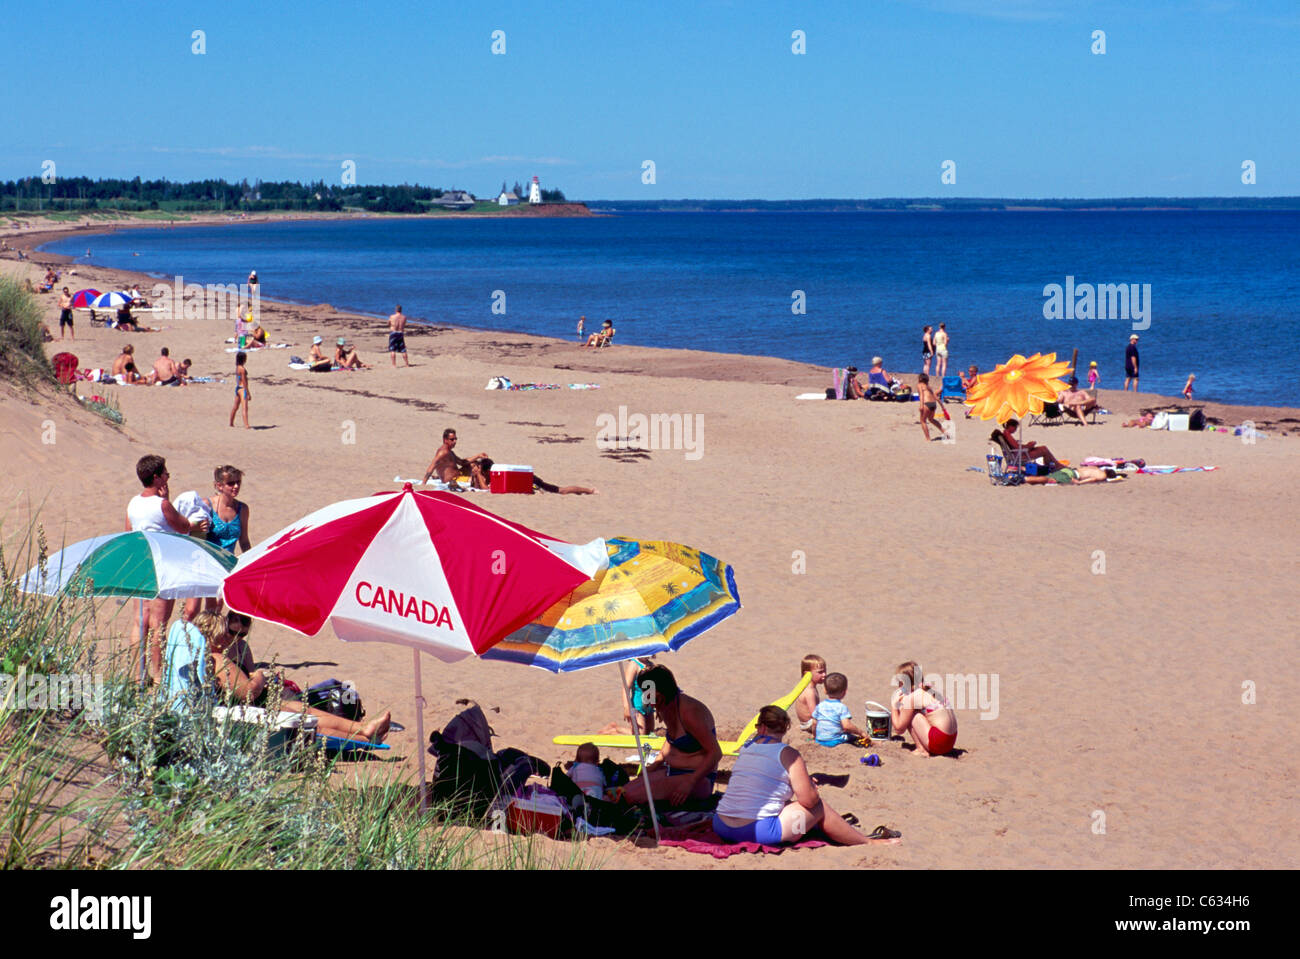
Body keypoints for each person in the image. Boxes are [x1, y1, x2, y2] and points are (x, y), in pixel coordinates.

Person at [713, 706, 888, 846]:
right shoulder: (788, 754)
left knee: (782, 803)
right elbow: (809, 801)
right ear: (785, 728)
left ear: (761, 727)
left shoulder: (746, 747)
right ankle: (866, 841)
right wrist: (808, 786)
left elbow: (762, 780)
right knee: (819, 807)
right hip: (757, 831)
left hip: (721, 824)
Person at [206, 612, 392, 743]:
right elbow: (249, 691)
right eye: (228, 633)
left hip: (259, 704)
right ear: (215, 635)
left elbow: (248, 680)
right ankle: (365, 738)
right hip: (250, 709)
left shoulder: (238, 649)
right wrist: (261, 676)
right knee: (304, 723)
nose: (233, 638)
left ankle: (364, 728)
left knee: (305, 711)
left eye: (242, 634)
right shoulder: (217, 659)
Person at [125, 455, 208, 683]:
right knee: (158, 623)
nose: (168, 477)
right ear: (157, 477)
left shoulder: (133, 503)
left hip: (140, 565)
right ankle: (159, 674)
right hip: (162, 566)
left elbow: (128, 532)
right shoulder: (161, 504)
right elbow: (182, 527)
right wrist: (192, 523)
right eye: (165, 474)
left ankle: (138, 674)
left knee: (140, 620)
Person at [619, 665, 721, 807]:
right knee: (623, 791)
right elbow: (671, 740)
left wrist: (690, 782)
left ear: (658, 694)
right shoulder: (666, 707)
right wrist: (656, 764)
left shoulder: (689, 712)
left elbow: (715, 753)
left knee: (630, 797)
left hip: (697, 778)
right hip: (672, 771)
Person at [184, 465, 252, 620]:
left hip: (225, 565)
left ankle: (206, 643)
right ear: (219, 486)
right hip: (203, 563)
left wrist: (251, 562)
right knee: (191, 610)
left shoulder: (242, 509)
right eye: (231, 483)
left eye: (238, 482)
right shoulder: (206, 505)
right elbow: (191, 534)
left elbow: (244, 541)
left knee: (214, 612)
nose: (236, 486)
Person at [889, 661, 957, 757]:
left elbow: (899, 729)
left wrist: (894, 706)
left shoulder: (912, 698)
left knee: (911, 714)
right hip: (951, 741)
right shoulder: (930, 688)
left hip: (939, 743)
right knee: (915, 711)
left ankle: (921, 749)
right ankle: (925, 747)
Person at [469, 458, 598, 495]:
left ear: (486, 471)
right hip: (524, 481)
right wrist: (475, 477)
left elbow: (485, 489)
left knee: (561, 490)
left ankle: (589, 490)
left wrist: (478, 475)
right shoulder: (490, 474)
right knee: (560, 490)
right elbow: (477, 487)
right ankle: (588, 490)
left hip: (532, 481)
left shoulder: (494, 474)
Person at [811, 673, 866, 746]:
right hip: (834, 741)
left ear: (825, 690)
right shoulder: (841, 707)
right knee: (852, 737)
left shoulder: (819, 706)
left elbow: (814, 723)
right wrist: (861, 732)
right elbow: (847, 726)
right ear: (844, 692)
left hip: (820, 740)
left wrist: (815, 736)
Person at [422, 428, 489, 485]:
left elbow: (462, 462)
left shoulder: (450, 451)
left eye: (455, 439)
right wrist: (423, 483)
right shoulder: (442, 453)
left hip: (458, 474)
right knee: (479, 479)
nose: (455, 441)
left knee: (474, 464)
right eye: (452, 439)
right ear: (445, 440)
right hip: (454, 480)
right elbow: (431, 468)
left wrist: (478, 456)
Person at [995, 419, 1061, 469]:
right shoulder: (1007, 434)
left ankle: (1052, 465)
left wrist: (1028, 445)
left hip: (1017, 454)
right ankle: (1055, 465)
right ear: (1010, 426)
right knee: (1044, 450)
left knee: (1044, 448)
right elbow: (1017, 447)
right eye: (1015, 428)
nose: (1015, 430)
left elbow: (1016, 446)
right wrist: (1029, 445)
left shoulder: (1005, 433)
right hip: (1019, 456)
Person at [794, 654, 827, 732]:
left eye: (825, 671)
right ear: (807, 674)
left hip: (807, 723)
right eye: (820, 672)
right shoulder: (809, 691)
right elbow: (815, 714)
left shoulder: (808, 687)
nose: (824, 675)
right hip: (809, 725)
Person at [915, 374, 948, 441]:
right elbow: (936, 397)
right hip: (933, 404)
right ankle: (945, 432)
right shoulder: (928, 387)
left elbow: (921, 395)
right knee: (931, 419)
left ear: (920, 379)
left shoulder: (920, 385)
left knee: (923, 421)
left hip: (926, 404)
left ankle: (928, 438)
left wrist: (921, 406)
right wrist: (942, 406)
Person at [229, 351, 250, 429]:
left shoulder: (237, 367)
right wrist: (248, 393)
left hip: (238, 388)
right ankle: (246, 425)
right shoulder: (242, 369)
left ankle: (231, 423)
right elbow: (244, 381)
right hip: (242, 389)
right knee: (244, 408)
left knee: (235, 407)